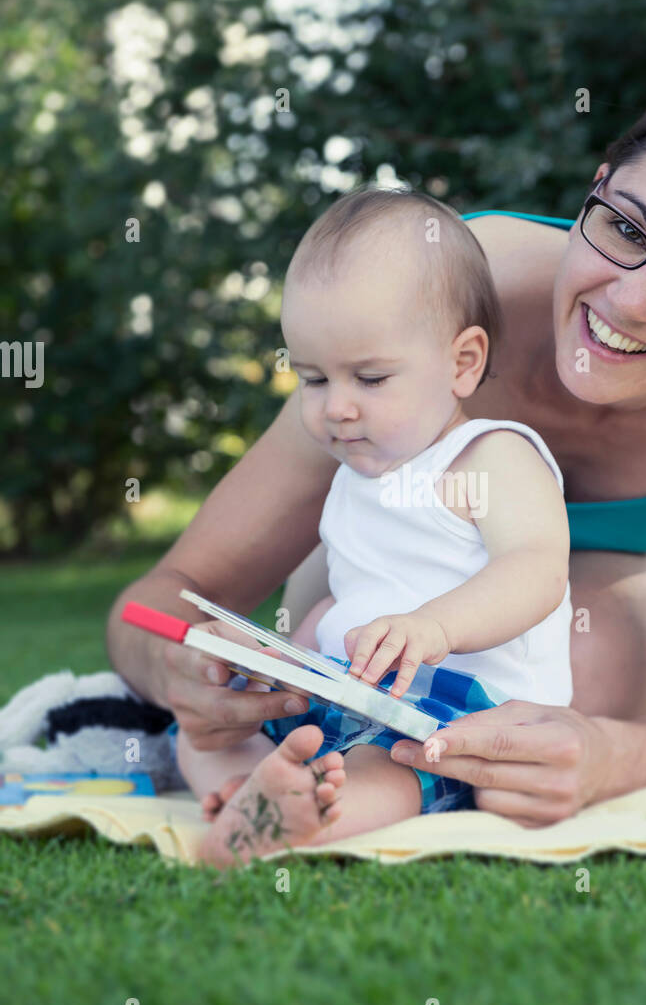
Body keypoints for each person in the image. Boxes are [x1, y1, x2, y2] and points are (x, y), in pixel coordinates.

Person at [107, 76, 646, 832]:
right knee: (334, 631)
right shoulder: (429, 296)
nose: (628, 302)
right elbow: (164, 596)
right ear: (596, 190)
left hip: (593, 605)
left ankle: (358, 792)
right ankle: (290, 784)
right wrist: (181, 673)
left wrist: (609, 756)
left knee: (592, 651)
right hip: (382, 583)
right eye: (626, 228)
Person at [173, 188, 573, 865]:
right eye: (312, 379)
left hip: (462, 713)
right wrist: (280, 660)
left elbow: (535, 569)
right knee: (201, 732)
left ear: (462, 362)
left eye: (369, 377)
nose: (337, 409)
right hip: (352, 692)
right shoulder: (355, 477)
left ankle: (302, 818)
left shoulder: (492, 455)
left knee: (384, 770)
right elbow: (345, 600)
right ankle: (246, 791)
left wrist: (434, 626)